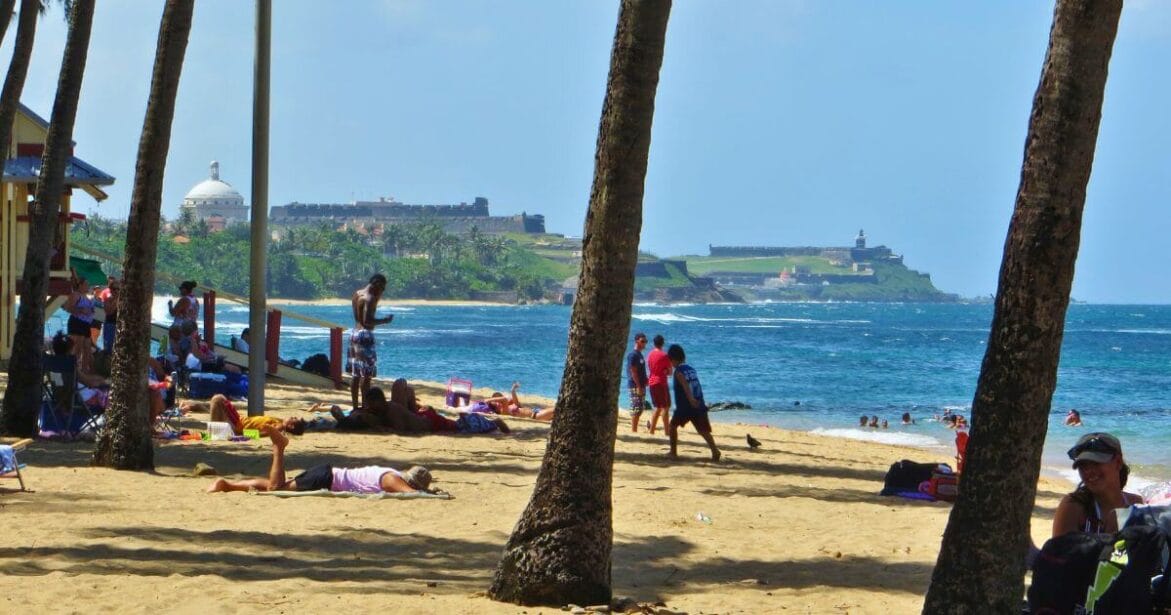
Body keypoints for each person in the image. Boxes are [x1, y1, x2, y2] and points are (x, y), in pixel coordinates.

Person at [207, 427, 433, 494]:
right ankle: (279, 448)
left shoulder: (390, 472)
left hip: (327, 474)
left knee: (274, 486)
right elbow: (411, 495)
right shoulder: (391, 479)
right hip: (327, 479)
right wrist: (433, 495)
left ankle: (227, 485)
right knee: (278, 489)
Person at [1052, 432, 1144, 537]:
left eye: (1096, 463)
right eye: (1083, 465)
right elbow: (1058, 551)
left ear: (1118, 462)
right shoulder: (1074, 507)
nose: (1088, 471)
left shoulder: (1137, 505)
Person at [666, 344, 720, 461]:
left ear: (673, 359)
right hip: (699, 404)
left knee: (672, 426)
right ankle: (715, 450)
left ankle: (673, 452)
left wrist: (690, 399)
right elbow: (697, 385)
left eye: (670, 361)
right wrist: (699, 401)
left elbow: (685, 385)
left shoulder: (678, 372)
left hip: (685, 406)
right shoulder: (691, 369)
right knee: (703, 431)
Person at [350, 273, 393, 410]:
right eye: (383, 288)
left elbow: (358, 319)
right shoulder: (370, 298)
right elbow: (367, 321)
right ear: (377, 284)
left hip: (354, 334)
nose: (382, 292)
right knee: (367, 375)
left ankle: (356, 407)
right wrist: (384, 320)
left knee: (356, 374)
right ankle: (365, 407)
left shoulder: (357, 294)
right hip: (365, 336)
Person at [208, 394, 306, 435]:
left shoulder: (279, 427)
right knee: (219, 401)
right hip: (240, 421)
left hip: (238, 424)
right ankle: (215, 428)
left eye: (293, 418)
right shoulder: (279, 422)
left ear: (291, 426)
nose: (292, 416)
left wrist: (241, 434)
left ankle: (214, 431)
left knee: (218, 399)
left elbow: (261, 433)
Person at [62, 274, 97, 374]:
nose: (88, 286)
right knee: (77, 348)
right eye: (86, 284)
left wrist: (91, 310)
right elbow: (68, 308)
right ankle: (73, 371)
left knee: (87, 349)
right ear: (80, 285)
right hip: (77, 322)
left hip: (86, 324)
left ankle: (84, 371)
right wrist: (81, 309)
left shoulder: (86, 296)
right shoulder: (75, 295)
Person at [469, 382, 554, 421]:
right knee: (557, 409)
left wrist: (513, 391)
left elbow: (517, 403)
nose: (499, 403)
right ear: (496, 408)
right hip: (535, 416)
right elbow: (504, 400)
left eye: (498, 401)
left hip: (537, 410)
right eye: (497, 403)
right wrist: (489, 400)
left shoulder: (509, 407)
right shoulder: (503, 412)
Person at [646, 334, 672, 435]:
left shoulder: (650, 354)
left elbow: (650, 367)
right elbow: (670, 372)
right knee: (665, 407)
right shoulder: (664, 355)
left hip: (652, 381)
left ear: (654, 343)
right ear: (663, 343)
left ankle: (652, 430)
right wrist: (665, 371)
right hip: (661, 382)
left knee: (658, 407)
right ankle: (666, 432)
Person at [627, 332, 648, 432]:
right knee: (636, 408)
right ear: (636, 341)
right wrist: (639, 386)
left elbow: (641, 370)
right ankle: (633, 430)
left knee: (640, 408)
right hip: (635, 385)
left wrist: (646, 380)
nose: (644, 343)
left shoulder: (640, 355)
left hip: (641, 384)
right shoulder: (633, 355)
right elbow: (633, 371)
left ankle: (634, 429)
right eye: (642, 341)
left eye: (645, 341)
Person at [97, 275, 119, 353]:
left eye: (118, 289)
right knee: (108, 348)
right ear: (111, 289)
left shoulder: (123, 301)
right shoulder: (108, 299)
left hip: (119, 326)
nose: (116, 291)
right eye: (114, 289)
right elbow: (109, 312)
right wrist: (116, 300)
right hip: (110, 324)